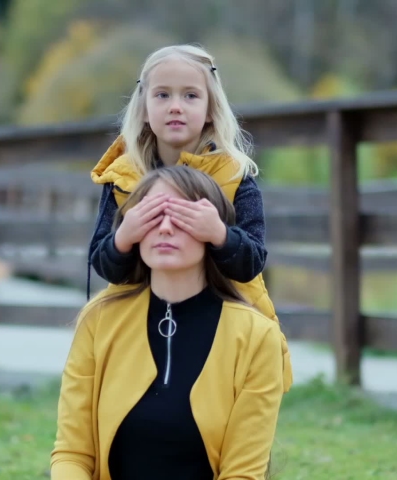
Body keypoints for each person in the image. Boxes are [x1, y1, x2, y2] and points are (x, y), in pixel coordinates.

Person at [52, 166, 284, 480]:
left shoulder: (257, 336)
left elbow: (243, 473)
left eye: (181, 216)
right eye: (150, 216)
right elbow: (72, 454)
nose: (164, 228)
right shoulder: (99, 320)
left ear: (213, 230)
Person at [87, 44, 292, 392]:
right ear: (144, 108)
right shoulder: (123, 179)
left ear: (211, 109)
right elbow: (103, 264)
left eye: (191, 96)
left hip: (223, 322)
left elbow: (252, 262)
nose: (176, 106)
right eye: (163, 95)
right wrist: (125, 236)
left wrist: (219, 234)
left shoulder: (234, 175)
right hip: (140, 325)